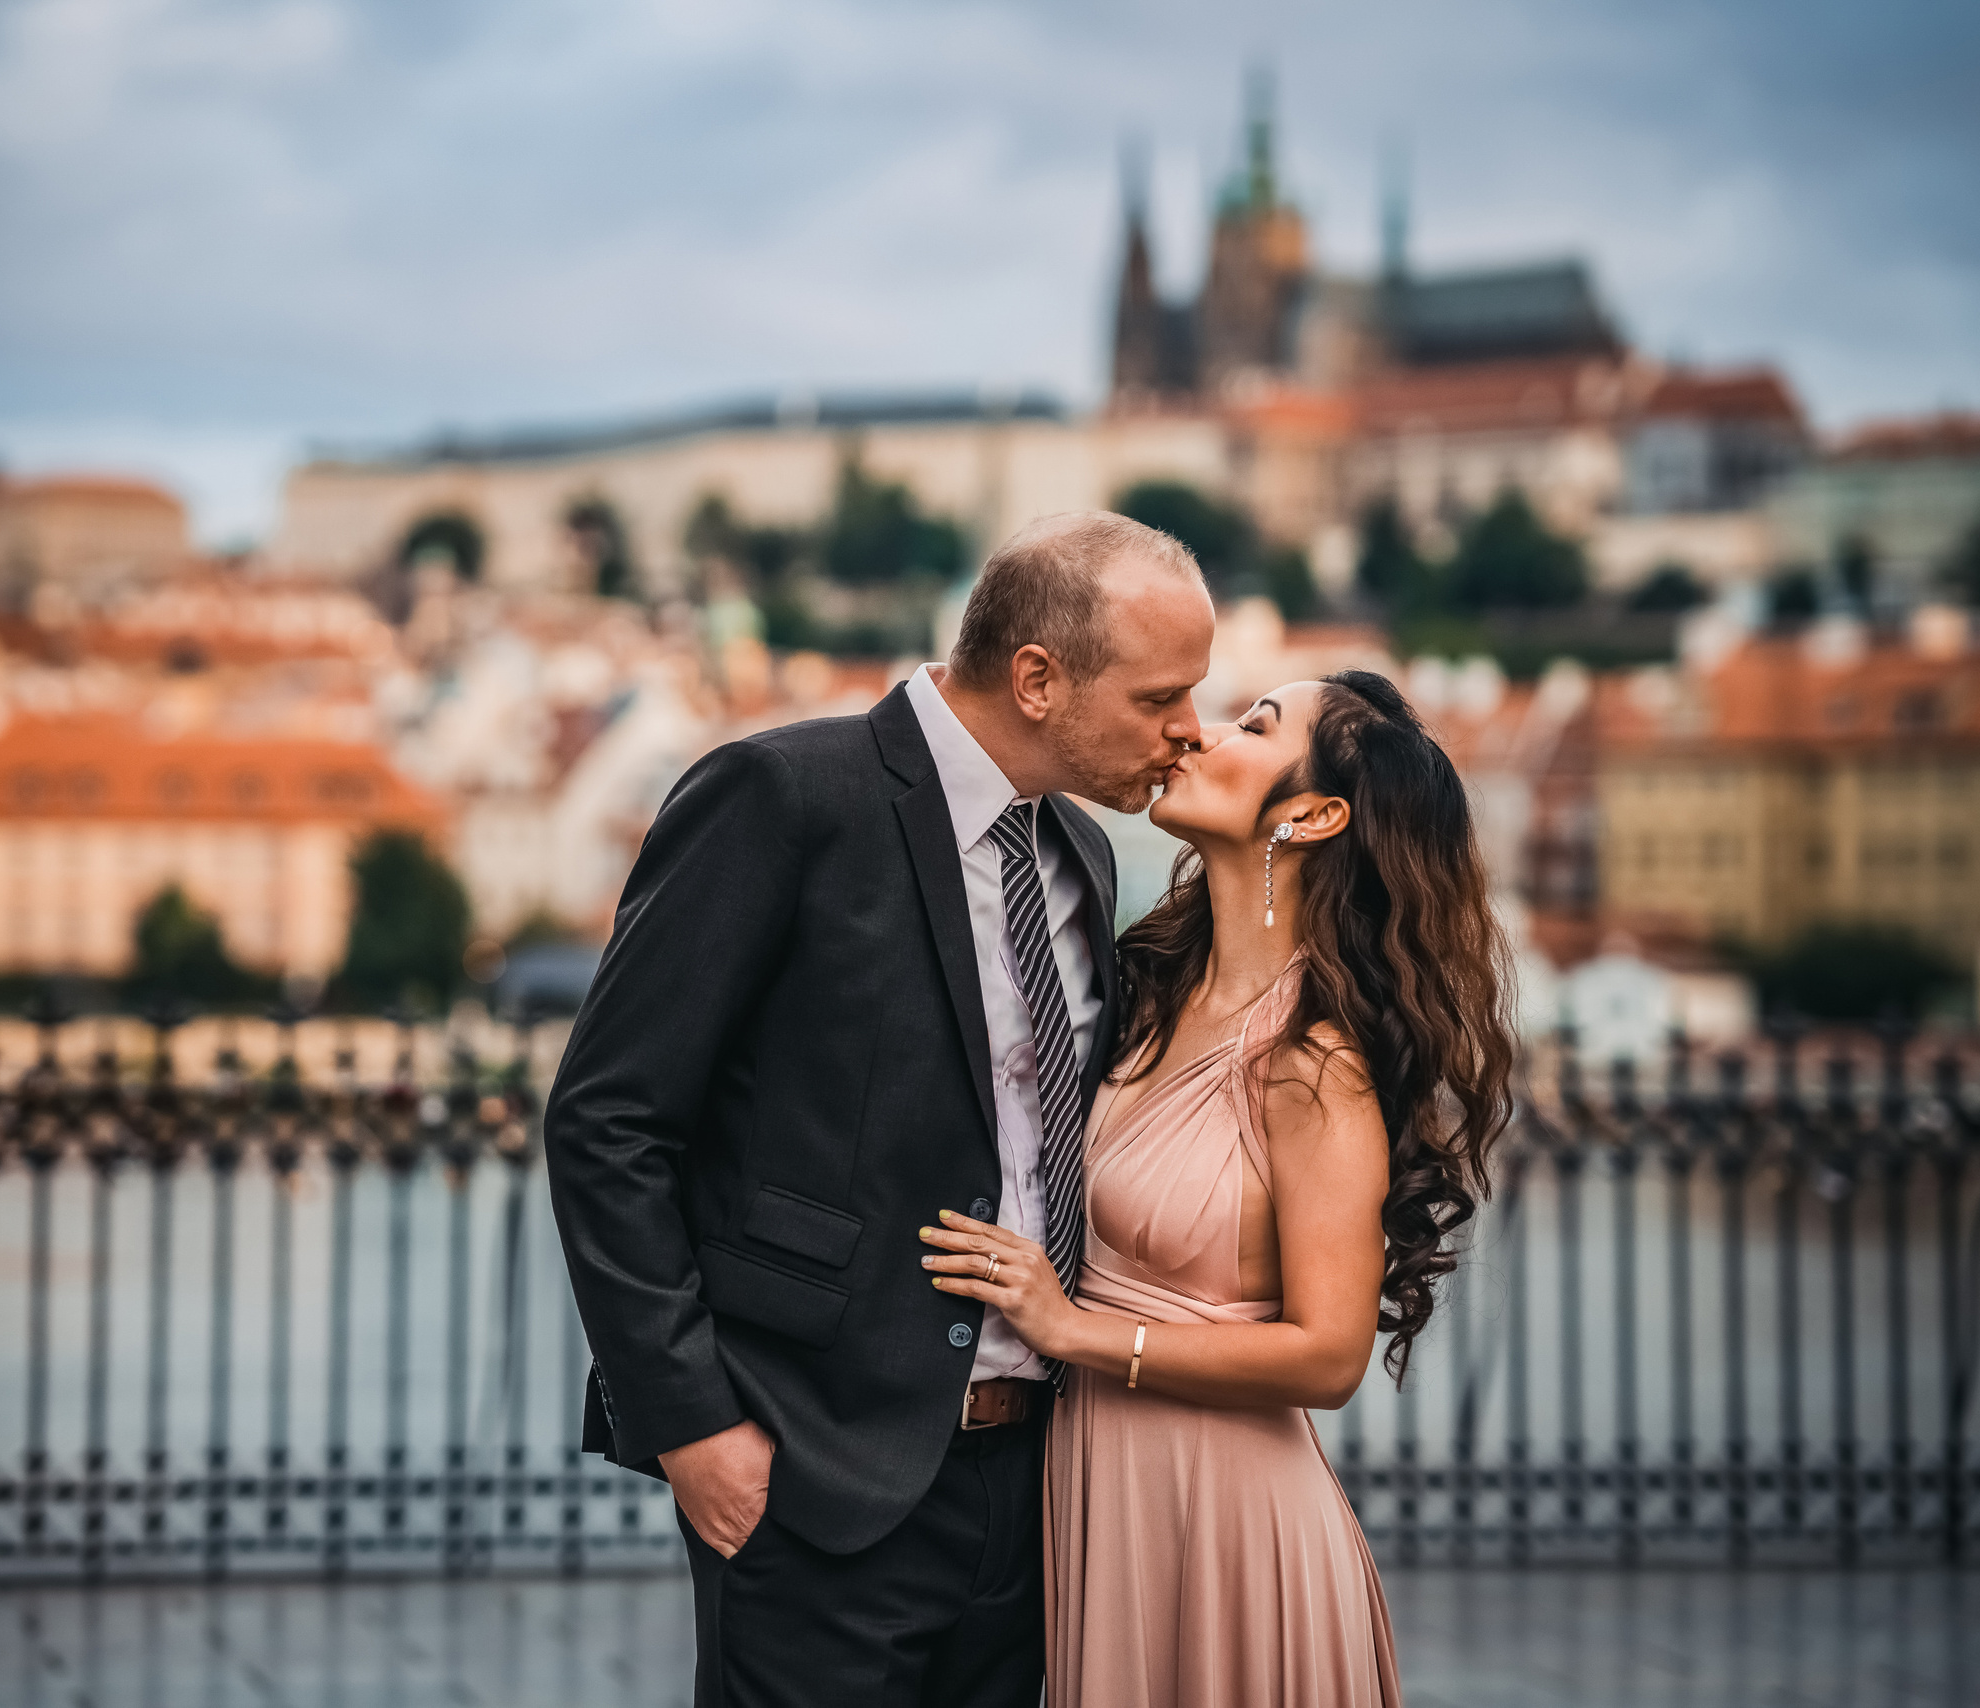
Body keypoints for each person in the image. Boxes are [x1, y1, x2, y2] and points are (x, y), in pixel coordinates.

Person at [545, 512, 1215, 1708]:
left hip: (1036, 1484)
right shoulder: (782, 797)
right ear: (1038, 678)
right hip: (813, 1475)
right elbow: (607, 1121)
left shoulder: (1080, 851)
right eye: (1161, 696)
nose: (1189, 730)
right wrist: (695, 1428)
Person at [921, 669, 1514, 1707]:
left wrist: (1073, 1330)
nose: (1196, 735)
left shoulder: (1312, 1058)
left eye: (1255, 723)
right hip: (1104, 1490)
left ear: (1315, 813)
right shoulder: (1148, 992)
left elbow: (1328, 1356)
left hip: (1229, 1513)